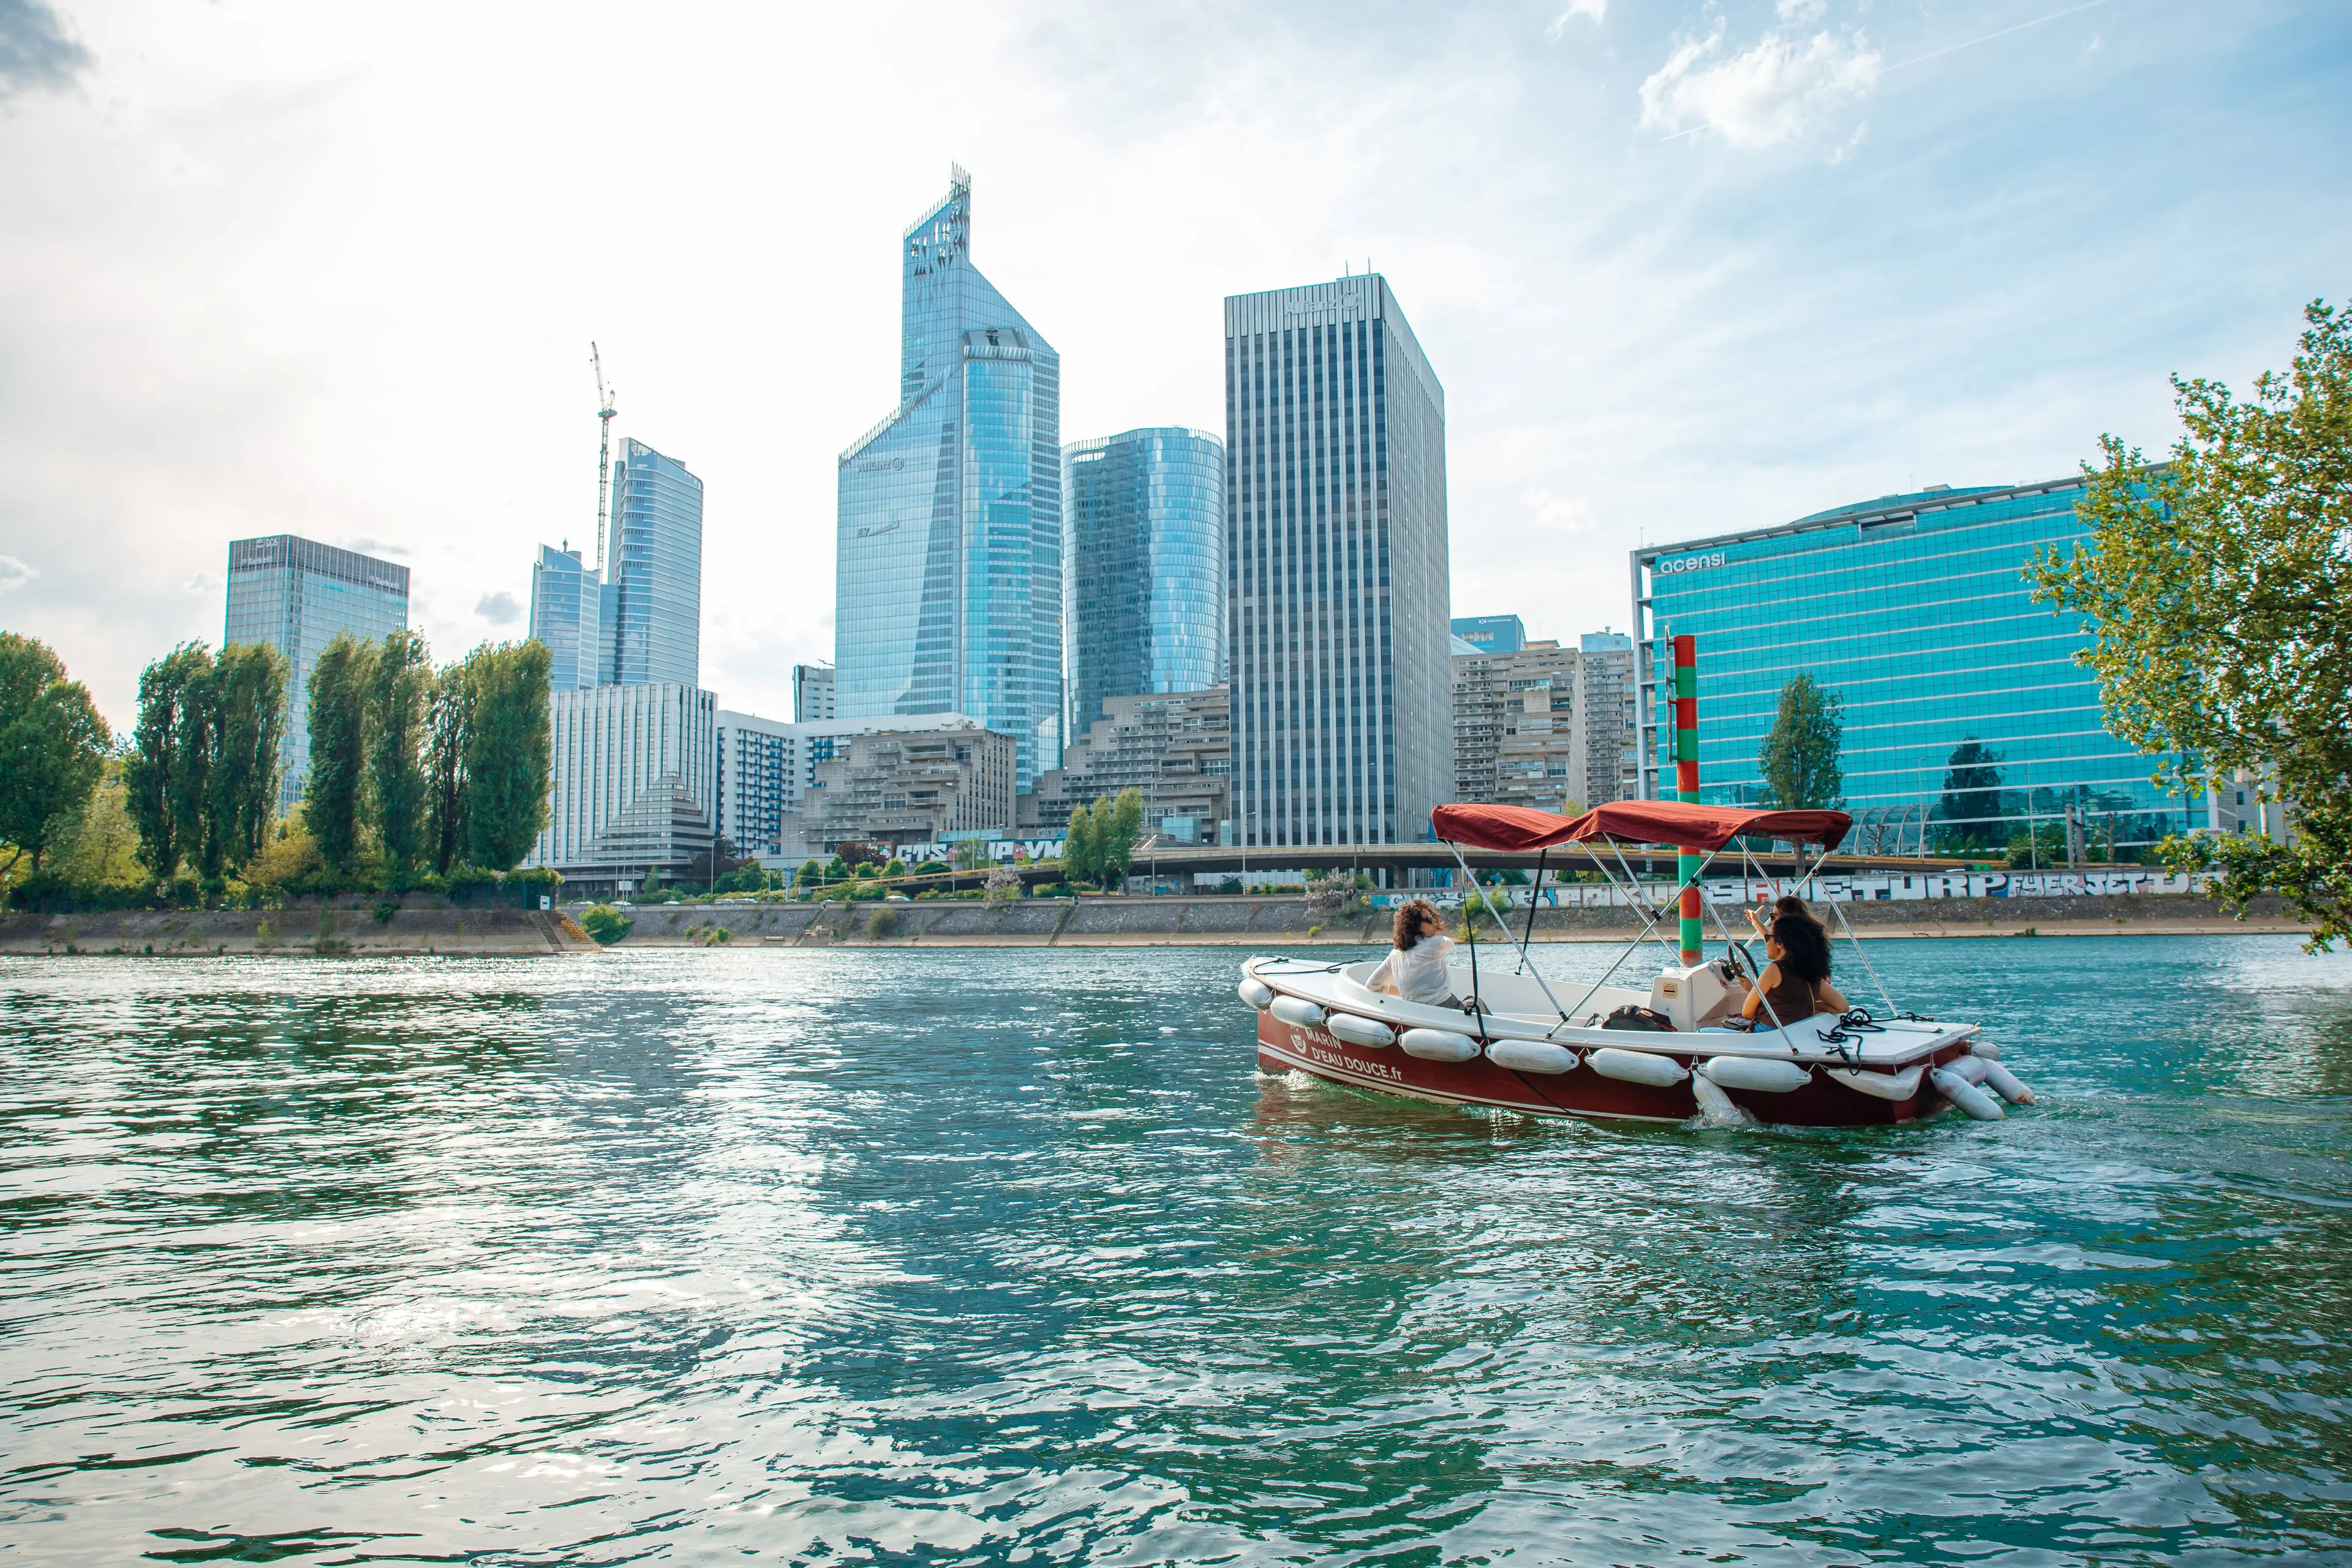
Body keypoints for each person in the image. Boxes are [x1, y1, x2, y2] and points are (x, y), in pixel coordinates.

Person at [1740, 911, 1849, 1027]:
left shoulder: (1774, 969)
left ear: (1780, 943)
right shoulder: (1811, 971)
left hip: (1769, 1034)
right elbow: (1842, 1007)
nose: (1766, 942)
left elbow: (1747, 1013)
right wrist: (1805, 1005)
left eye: (1768, 937)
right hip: (1798, 1033)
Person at [1366, 898, 1460, 1007]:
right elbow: (1450, 943)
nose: (1433, 923)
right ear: (1417, 925)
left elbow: (1372, 985)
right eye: (1429, 919)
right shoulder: (1436, 944)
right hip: (1445, 1007)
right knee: (1477, 1003)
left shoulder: (1394, 955)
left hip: (1414, 1011)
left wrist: (1404, 993)